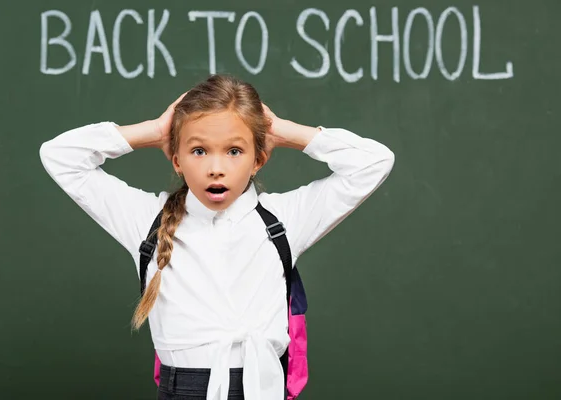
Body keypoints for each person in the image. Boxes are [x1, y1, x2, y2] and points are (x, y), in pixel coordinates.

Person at [39, 74, 395, 400]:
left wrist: (284, 131)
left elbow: (374, 162)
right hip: (183, 389)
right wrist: (154, 130)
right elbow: (60, 157)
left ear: (260, 158)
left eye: (235, 151)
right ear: (175, 158)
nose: (215, 167)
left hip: (260, 387)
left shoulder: (285, 219)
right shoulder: (145, 220)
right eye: (198, 150)